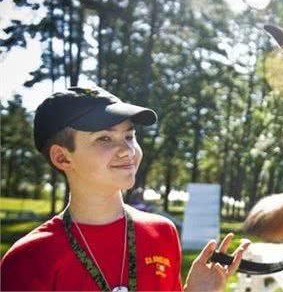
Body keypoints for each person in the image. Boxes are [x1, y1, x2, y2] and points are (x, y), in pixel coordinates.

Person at [0, 86, 249, 291]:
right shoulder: (28, 259)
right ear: (63, 158)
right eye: (104, 138)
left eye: (129, 136)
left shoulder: (162, 233)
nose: (127, 150)